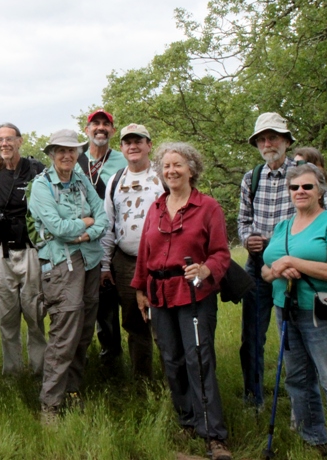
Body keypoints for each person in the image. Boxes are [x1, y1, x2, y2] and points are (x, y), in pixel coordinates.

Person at [131, 142, 232, 460]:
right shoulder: (156, 208)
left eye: (178, 165)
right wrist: (140, 289)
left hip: (194, 294)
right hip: (159, 295)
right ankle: (187, 420)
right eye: (166, 166)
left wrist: (205, 269)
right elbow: (144, 252)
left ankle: (213, 435)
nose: (171, 171)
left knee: (198, 360)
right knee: (172, 360)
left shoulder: (208, 207)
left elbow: (221, 253)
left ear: (191, 169)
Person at [261, 163, 327, 459]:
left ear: (320, 191)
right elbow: (266, 270)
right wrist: (277, 270)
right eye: (294, 187)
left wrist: (291, 261)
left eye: (307, 186)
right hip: (286, 311)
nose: (300, 191)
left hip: (321, 313)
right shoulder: (283, 226)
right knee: (297, 379)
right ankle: (312, 439)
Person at [237, 112, 327, 406]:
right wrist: (248, 239)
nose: (268, 144)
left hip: (298, 271)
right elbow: (243, 221)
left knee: (297, 338)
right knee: (252, 336)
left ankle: (300, 406)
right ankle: (254, 399)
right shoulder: (251, 178)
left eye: (273, 138)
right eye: (262, 140)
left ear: (287, 142)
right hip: (259, 266)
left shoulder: (305, 176)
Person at [28, 129, 108, 424]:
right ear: (51, 154)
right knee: (64, 335)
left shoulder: (82, 180)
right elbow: (57, 228)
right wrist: (85, 223)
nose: (66, 155)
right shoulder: (41, 186)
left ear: (78, 154)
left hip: (89, 262)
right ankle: (50, 405)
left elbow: (103, 218)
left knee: (84, 332)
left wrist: (86, 232)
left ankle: (72, 391)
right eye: (61, 150)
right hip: (62, 265)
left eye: (72, 150)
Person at [100, 123, 165, 379]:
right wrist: (105, 265)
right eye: (128, 142)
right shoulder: (116, 180)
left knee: (164, 323)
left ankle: (174, 383)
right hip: (126, 261)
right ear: (122, 147)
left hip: (162, 261)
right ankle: (143, 382)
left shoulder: (163, 176)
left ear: (149, 145)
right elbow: (108, 225)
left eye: (139, 141)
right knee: (135, 324)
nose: (133, 146)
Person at [0, 123, 47, 376]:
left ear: (20, 141)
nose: (4, 143)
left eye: (9, 139)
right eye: (0, 139)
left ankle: (39, 370)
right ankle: (12, 372)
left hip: (31, 250)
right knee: (6, 316)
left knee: (35, 313)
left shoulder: (36, 170)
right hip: (2, 251)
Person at [78, 109, 128, 367]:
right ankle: (79, 360)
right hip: (79, 242)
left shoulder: (123, 160)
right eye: (95, 123)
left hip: (111, 242)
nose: (100, 128)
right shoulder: (74, 158)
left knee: (108, 303)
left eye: (105, 124)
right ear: (86, 129)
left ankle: (111, 361)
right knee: (80, 305)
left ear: (112, 130)